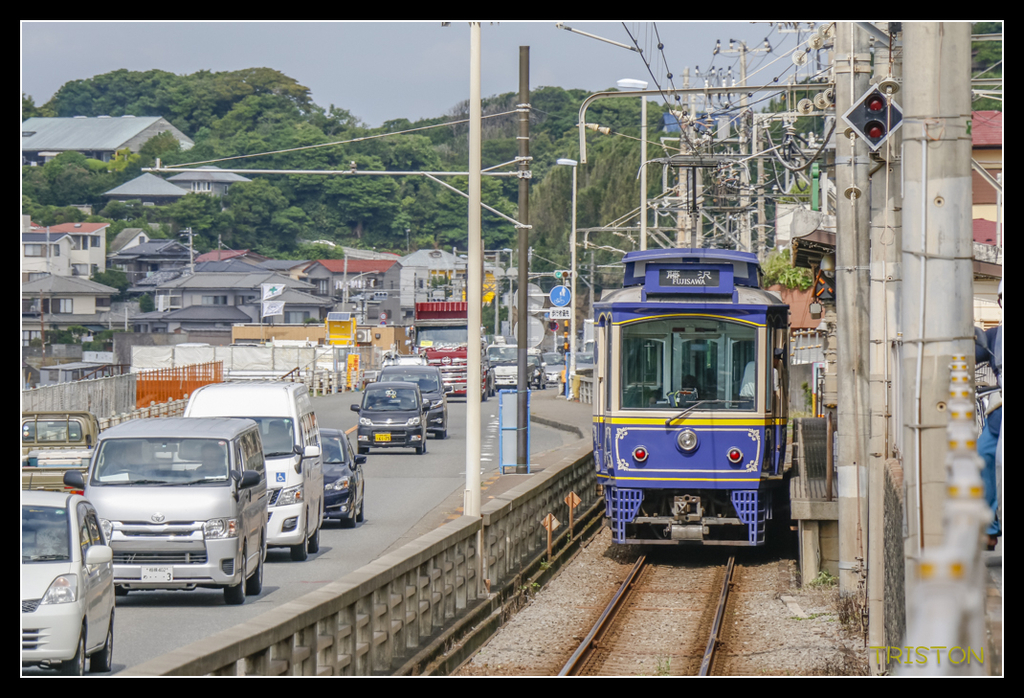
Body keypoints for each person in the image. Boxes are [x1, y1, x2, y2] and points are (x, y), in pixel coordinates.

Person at [975, 280, 1002, 551]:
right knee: (983, 453)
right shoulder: (995, 336)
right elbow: (971, 353)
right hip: (1001, 412)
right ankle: (990, 528)